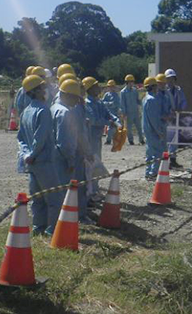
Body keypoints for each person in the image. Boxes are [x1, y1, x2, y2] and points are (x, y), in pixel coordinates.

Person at [17, 74, 63, 235]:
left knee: (37, 198)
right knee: (54, 197)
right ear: (35, 91)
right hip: (44, 160)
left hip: (31, 162)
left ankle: (38, 228)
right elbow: (41, 137)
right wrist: (34, 153)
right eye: (42, 88)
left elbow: (20, 138)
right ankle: (52, 230)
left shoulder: (25, 112)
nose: (45, 90)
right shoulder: (43, 110)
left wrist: (26, 154)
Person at [51, 78, 91, 224]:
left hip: (56, 157)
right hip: (66, 158)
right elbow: (65, 141)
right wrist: (70, 160)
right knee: (72, 190)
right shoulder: (65, 112)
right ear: (68, 95)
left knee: (60, 190)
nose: (78, 101)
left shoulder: (54, 107)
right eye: (76, 97)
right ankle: (70, 220)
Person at [83, 77, 121, 197]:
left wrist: (116, 121)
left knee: (97, 164)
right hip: (90, 138)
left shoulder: (98, 102)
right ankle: (90, 192)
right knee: (91, 165)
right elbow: (94, 120)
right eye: (95, 86)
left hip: (97, 137)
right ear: (89, 89)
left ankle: (95, 189)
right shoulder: (87, 104)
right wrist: (109, 123)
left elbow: (108, 114)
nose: (98, 88)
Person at [142, 77, 165, 180]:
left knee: (150, 152)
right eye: (156, 85)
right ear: (153, 87)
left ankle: (148, 172)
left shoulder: (145, 98)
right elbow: (154, 119)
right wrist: (159, 132)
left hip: (147, 129)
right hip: (152, 131)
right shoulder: (152, 100)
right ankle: (153, 173)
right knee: (157, 152)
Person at [164, 69, 187, 168]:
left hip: (176, 116)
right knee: (166, 139)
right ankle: (164, 160)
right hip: (167, 117)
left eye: (172, 79)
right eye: (169, 79)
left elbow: (183, 101)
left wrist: (181, 109)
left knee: (174, 139)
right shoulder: (163, 91)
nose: (170, 81)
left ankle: (172, 159)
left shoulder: (178, 90)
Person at [120, 74, 144, 145]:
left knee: (139, 127)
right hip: (128, 113)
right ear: (127, 82)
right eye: (130, 82)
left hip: (135, 112)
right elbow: (122, 103)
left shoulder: (135, 91)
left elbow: (137, 100)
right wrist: (124, 113)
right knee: (129, 128)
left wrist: (142, 103)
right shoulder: (123, 92)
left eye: (132, 82)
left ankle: (141, 140)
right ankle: (131, 140)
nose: (132, 83)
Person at [102, 80, 121, 145]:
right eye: (109, 87)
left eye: (112, 87)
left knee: (114, 128)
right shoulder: (106, 95)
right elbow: (103, 103)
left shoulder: (116, 95)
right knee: (110, 127)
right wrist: (109, 103)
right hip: (108, 114)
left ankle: (112, 140)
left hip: (114, 114)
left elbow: (117, 104)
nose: (111, 88)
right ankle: (109, 140)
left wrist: (112, 105)